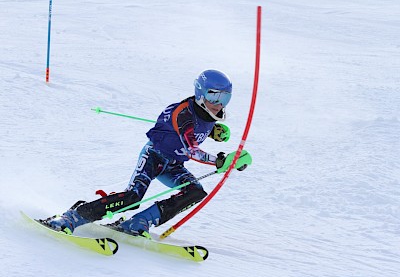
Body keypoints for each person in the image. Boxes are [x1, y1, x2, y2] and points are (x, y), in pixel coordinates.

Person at [43, 69, 251, 238]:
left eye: (226, 98)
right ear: (200, 93)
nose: (220, 104)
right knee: (133, 196)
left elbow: (200, 127)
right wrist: (220, 161)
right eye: (214, 96)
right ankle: (71, 218)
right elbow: (192, 149)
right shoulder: (185, 114)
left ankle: (139, 223)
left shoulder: (209, 112)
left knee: (195, 192)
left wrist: (214, 132)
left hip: (174, 165)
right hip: (155, 157)